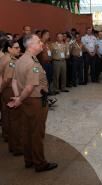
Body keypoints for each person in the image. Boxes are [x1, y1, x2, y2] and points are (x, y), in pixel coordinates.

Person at [7, 34, 58, 172]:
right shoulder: (32, 63)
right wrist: (20, 99)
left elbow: (15, 81)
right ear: (31, 45)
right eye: (38, 41)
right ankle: (40, 163)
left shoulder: (20, 60)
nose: (41, 43)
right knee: (37, 133)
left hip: (26, 101)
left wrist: (18, 97)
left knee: (27, 131)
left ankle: (28, 160)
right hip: (35, 102)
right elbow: (29, 87)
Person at [0, 40, 23, 155]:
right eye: (16, 48)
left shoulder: (4, 58)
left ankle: (11, 142)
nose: (19, 49)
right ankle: (17, 147)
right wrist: (1, 89)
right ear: (9, 49)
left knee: (8, 117)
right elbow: (7, 79)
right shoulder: (11, 62)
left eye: (19, 48)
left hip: (6, 91)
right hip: (10, 91)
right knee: (15, 120)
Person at [37, 29, 53, 94]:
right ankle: (44, 92)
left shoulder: (48, 43)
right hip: (43, 64)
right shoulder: (39, 43)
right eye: (47, 35)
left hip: (49, 63)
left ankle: (48, 90)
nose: (48, 36)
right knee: (44, 79)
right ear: (43, 35)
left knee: (49, 77)